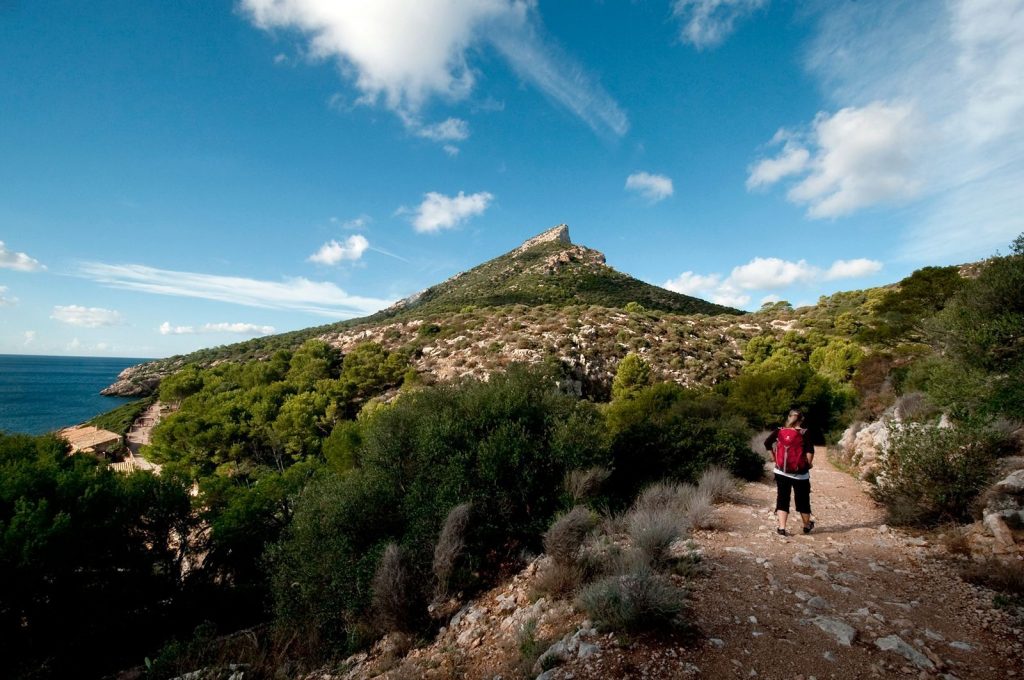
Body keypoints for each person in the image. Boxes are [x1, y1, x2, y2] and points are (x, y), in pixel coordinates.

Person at [764, 409, 815, 536]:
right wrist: (808, 465)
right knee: (803, 500)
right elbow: (810, 450)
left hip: (781, 471)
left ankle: (782, 527)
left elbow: (767, 443)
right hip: (800, 474)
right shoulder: (804, 432)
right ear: (801, 419)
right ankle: (806, 525)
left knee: (782, 498)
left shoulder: (780, 430)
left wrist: (774, 458)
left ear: (788, 417)